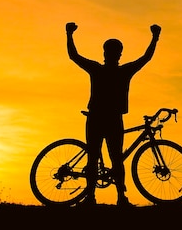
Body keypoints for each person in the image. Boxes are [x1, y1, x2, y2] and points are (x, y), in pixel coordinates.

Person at [65, 21, 161, 206]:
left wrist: (69, 34)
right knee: (115, 158)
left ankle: (92, 198)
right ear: (120, 54)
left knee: (94, 157)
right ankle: (120, 197)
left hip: (96, 118)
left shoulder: (97, 69)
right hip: (112, 119)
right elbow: (146, 57)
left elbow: (73, 56)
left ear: (104, 53)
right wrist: (155, 38)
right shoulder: (124, 71)